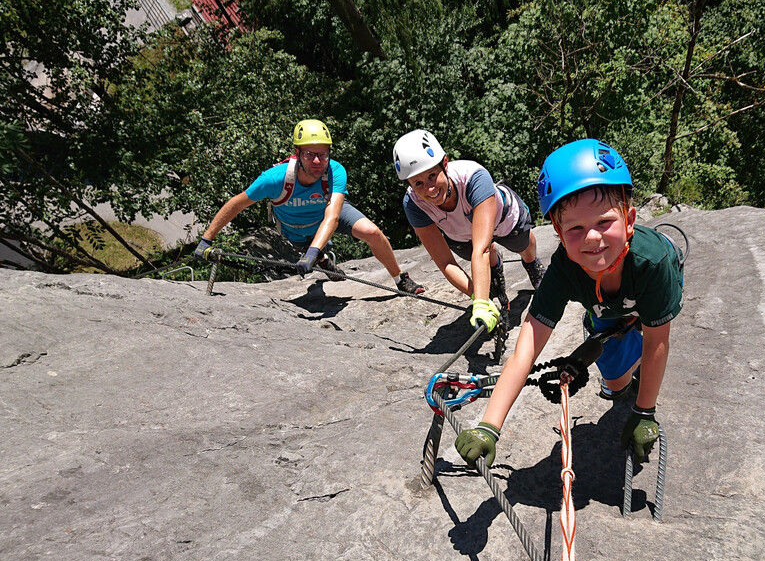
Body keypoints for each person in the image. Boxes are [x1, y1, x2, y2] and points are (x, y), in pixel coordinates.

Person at [454, 139, 684, 469]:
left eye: (604, 222)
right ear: (560, 235)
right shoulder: (564, 269)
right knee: (616, 384)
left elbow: (658, 341)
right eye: (576, 228)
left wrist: (645, 411)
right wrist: (488, 427)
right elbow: (526, 350)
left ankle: (625, 331)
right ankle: (619, 339)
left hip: (647, 288)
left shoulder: (653, 263)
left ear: (630, 220)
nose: (592, 237)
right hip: (608, 307)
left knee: (644, 332)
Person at [195, 119, 425, 295]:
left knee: (372, 232)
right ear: (297, 153)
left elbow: (333, 217)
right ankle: (321, 259)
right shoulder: (274, 179)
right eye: (309, 154)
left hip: (327, 215)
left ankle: (400, 279)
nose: (317, 161)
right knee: (312, 251)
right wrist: (207, 239)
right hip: (296, 229)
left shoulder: (335, 171)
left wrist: (312, 252)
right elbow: (237, 204)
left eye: (322, 155)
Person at [392, 129, 546, 333]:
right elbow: (445, 262)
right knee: (484, 259)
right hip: (462, 235)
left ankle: (531, 262)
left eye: (432, 176)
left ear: (445, 164)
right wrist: (478, 297)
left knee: (523, 246)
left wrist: (480, 303)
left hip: (503, 217)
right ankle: (494, 267)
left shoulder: (474, 177)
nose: (429, 189)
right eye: (418, 183)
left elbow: (481, 250)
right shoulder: (413, 204)